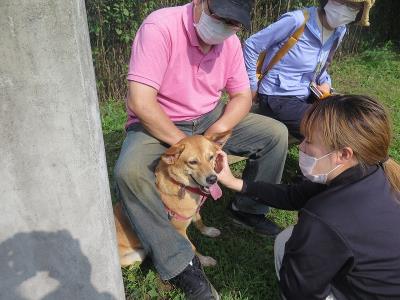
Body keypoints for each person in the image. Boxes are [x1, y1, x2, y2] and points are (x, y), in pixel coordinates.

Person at [113, 0, 288, 299]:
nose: (226, 27)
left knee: (275, 134)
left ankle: (248, 210)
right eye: (220, 17)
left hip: (207, 118)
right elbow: (141, 102)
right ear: (200, 3)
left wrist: (215, 134)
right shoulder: (160, 28)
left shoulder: (230, 42)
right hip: (159, 119)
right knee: (129, 171)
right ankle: (179, 262)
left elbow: (242, 97)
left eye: (234, 23)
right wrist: (186, 146)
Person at [216, 94, 400, 300]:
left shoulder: (324, 217)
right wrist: (236, 183)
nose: (301, 147)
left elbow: (300, 291)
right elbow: (295, 195)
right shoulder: (377, 170)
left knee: (285, 243)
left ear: (344, 154)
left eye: (309, 141)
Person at [244, 0, 375, 139]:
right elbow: (251, 45)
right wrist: (252, 86)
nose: (346, 9)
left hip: (308, 94)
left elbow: (321, 67)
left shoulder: (340, 31)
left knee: (352, 117)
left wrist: (326, 83)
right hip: (276, 95)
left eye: (354, 7)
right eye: (343, 2)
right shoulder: (297, 20)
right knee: (326, 130)